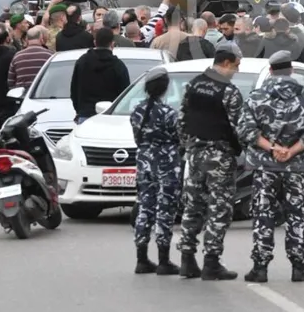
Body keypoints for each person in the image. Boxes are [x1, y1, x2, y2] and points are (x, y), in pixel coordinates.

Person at [238, 51, 304, 283]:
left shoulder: (256, 98)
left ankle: (260, 267)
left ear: (271, 70)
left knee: (263, 213)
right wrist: (291, 150)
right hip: (296, 167)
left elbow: (246, 130)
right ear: (292, 71)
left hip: (265, 166)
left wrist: (272, 148)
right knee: (297, 214)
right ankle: (298, 267)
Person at [176, 41, 245, 281]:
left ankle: (187, 259)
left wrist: (189, 146)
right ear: (226, 63)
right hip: (220, 157)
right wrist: (241, 151)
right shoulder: (229, 91)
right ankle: (211, 262)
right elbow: (239, 128)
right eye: (236, 65)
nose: (237, 70)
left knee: (193, 206)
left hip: (195, 155)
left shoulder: (193, 84)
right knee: (219, 208)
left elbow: (181, 121)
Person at [130, 68, 182, 275]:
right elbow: (180, 137)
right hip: (166, 164)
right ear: (165, 87)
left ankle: (141, 259)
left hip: (144, 162)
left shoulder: (137, 111)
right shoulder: (169, 112)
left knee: (144, 207)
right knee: (165, 209)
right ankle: (163, 260)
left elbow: (137, 137)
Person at [70, 28, 130, 124]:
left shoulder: (82, 62)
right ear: (112, 44)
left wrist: (79, 110)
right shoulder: (118, 66)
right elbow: (125, 94)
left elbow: (74, 89)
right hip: (111, 117)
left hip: (86, 115)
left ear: (95, 42)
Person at [8, 25, 53, 89]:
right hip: (43, 92)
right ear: (41, 38)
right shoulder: (49, 55)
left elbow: (10, 82)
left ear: (26, 39)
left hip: (23, 94)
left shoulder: (17, 56)